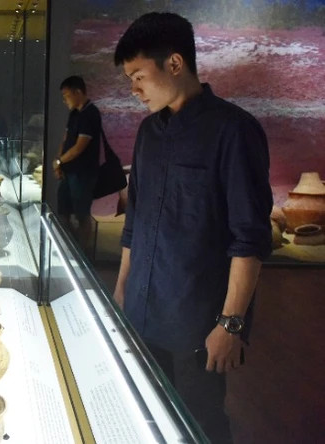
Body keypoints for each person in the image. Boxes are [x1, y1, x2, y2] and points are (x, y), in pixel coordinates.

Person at [112, 12, 272, 443]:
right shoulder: (148, 133)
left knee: (201, 423)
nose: (134, 89)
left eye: (139, 76)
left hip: (196, 322)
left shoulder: (235, 131)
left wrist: (231, 325)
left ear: (176, 64)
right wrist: (123, 289)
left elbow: (250, 241)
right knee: (151, 412)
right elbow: (136, 221)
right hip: (144, 309)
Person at [53, 75, 101, 250]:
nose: (64, 100)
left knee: (82, 214)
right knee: (63, 212)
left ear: (78, 92)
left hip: (83, 174)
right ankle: (73, 247)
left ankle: (83, 253)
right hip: (69, 171)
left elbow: (79, 147)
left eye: (66, 95)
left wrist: (59, 161)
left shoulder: (91, 114)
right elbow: (65, 141)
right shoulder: (74, 113)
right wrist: (59, 163)